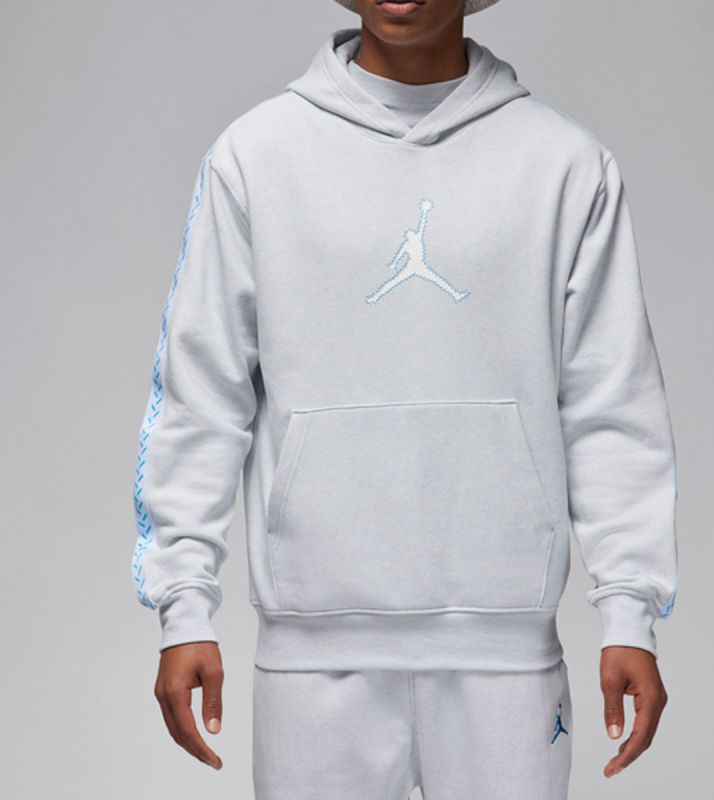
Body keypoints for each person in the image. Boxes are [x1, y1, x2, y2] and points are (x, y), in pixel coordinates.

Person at [131, 1, 678, 797]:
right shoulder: (255, 157)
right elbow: (201, 397)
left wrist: (630, 612)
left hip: (506, 655)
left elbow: (611, 405)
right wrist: (183, 606)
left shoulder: (564, 165)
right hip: (312, 657)